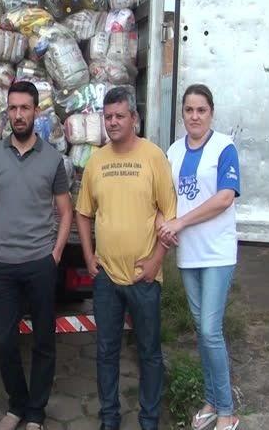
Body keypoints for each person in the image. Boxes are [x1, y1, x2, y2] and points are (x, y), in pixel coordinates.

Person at [75, 86, 176, 430]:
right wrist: (89, 257)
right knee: (105, 353)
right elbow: (83, 213)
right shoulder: (96, 161)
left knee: (149, 353)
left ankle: (149, 420)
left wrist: (156, 262)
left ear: (135, 118)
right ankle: (109, 419)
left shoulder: (154, 157)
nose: (113, 122)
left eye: (120, 116)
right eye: (108, 117)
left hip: (144, 278)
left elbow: (169, 215)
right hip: (106, 278)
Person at [0, 80, 73, 430]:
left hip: (39, 264)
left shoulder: (52, 159)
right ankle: (16, 404)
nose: (18, 115)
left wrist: (56, 253)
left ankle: (36, 412)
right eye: (13, 108)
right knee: (3, 340)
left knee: (44, 341)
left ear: (36, 111)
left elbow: (66, 212)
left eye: (25, 108)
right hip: (1, 265)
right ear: (8, 111)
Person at [159, 84, 241, 430]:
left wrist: (181, 221)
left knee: (210, 330)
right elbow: (162, 197)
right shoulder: (173, 152)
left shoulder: (225, 147)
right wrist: (164, 223)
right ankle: (211, 399)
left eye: (201, 110)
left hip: (217, 251)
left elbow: (225, 197)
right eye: (189, 110)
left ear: (211, 112)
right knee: (201, 329)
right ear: (182, 113)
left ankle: (226, 410)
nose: (194, 116)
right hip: (189, 253)